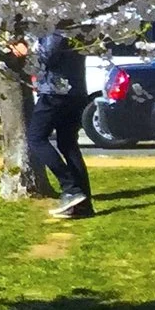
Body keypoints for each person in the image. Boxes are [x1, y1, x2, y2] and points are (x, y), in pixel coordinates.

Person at [19, 26, 94, 219]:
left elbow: (48, 57)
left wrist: (27, 52)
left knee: (36, 138)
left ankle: (71, 189)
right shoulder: (77, 26)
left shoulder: (56, 28)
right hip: (77, 91)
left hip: (55, 93)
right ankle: (84, 205)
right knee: (68, 145)